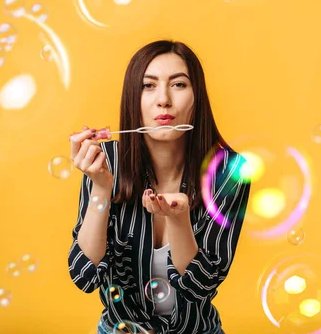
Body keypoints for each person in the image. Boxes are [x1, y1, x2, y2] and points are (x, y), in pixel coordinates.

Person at [68, 40, 251, 334]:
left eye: (178, 85)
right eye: (148, 86)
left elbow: (201, 285)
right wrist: (101, 188)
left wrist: (178, 220)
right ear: (133, 98)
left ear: (197, 97)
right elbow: (84, 275)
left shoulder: (228, 171)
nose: (163, 100)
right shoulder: (106, 161)